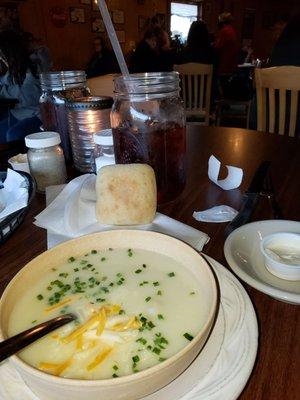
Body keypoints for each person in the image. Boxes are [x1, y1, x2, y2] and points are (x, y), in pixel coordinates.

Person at [0, 30, 41, 144]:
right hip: (18, 112)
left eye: (2, 54)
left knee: (12, 134)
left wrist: (5, 91)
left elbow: (27, 97)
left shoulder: (33, 67)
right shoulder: (14, 69)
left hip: (35, 113)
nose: (1, 58)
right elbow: (5, 82)